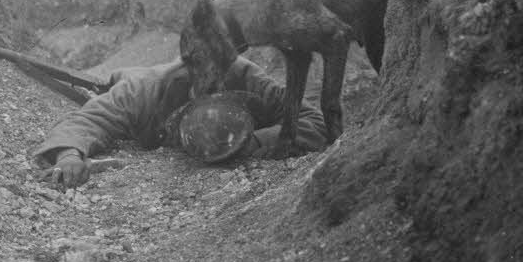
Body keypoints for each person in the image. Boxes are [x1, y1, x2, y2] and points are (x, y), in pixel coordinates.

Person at [30, 56, 328, 187]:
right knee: (111, 83)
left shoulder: (251, 80)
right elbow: (88, 120)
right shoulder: (142, 91)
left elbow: (314, 119)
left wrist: (256, 142)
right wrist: (69, 155)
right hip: (133, 77)